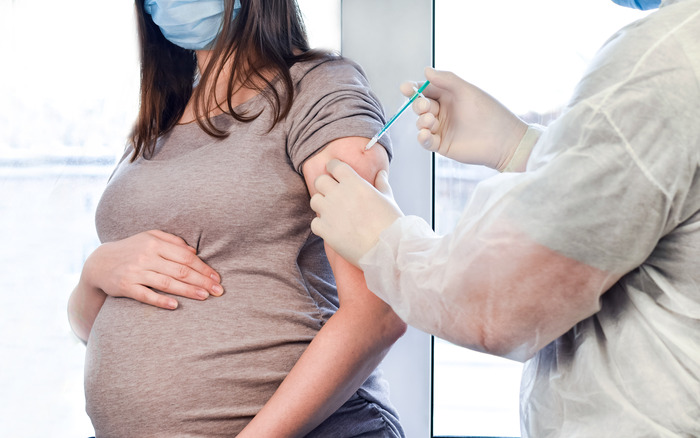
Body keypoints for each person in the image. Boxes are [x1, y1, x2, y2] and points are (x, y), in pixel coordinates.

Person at [309, 0, 700, 436]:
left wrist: (388, 246)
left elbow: (501, 301)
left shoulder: (666, 61)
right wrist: (523, 147)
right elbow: (646, 196)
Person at [66, 0, 407, 436]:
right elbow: (88, 328)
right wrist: (94, 273)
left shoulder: (319, 90)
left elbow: (379, 311)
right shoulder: (161, 120)